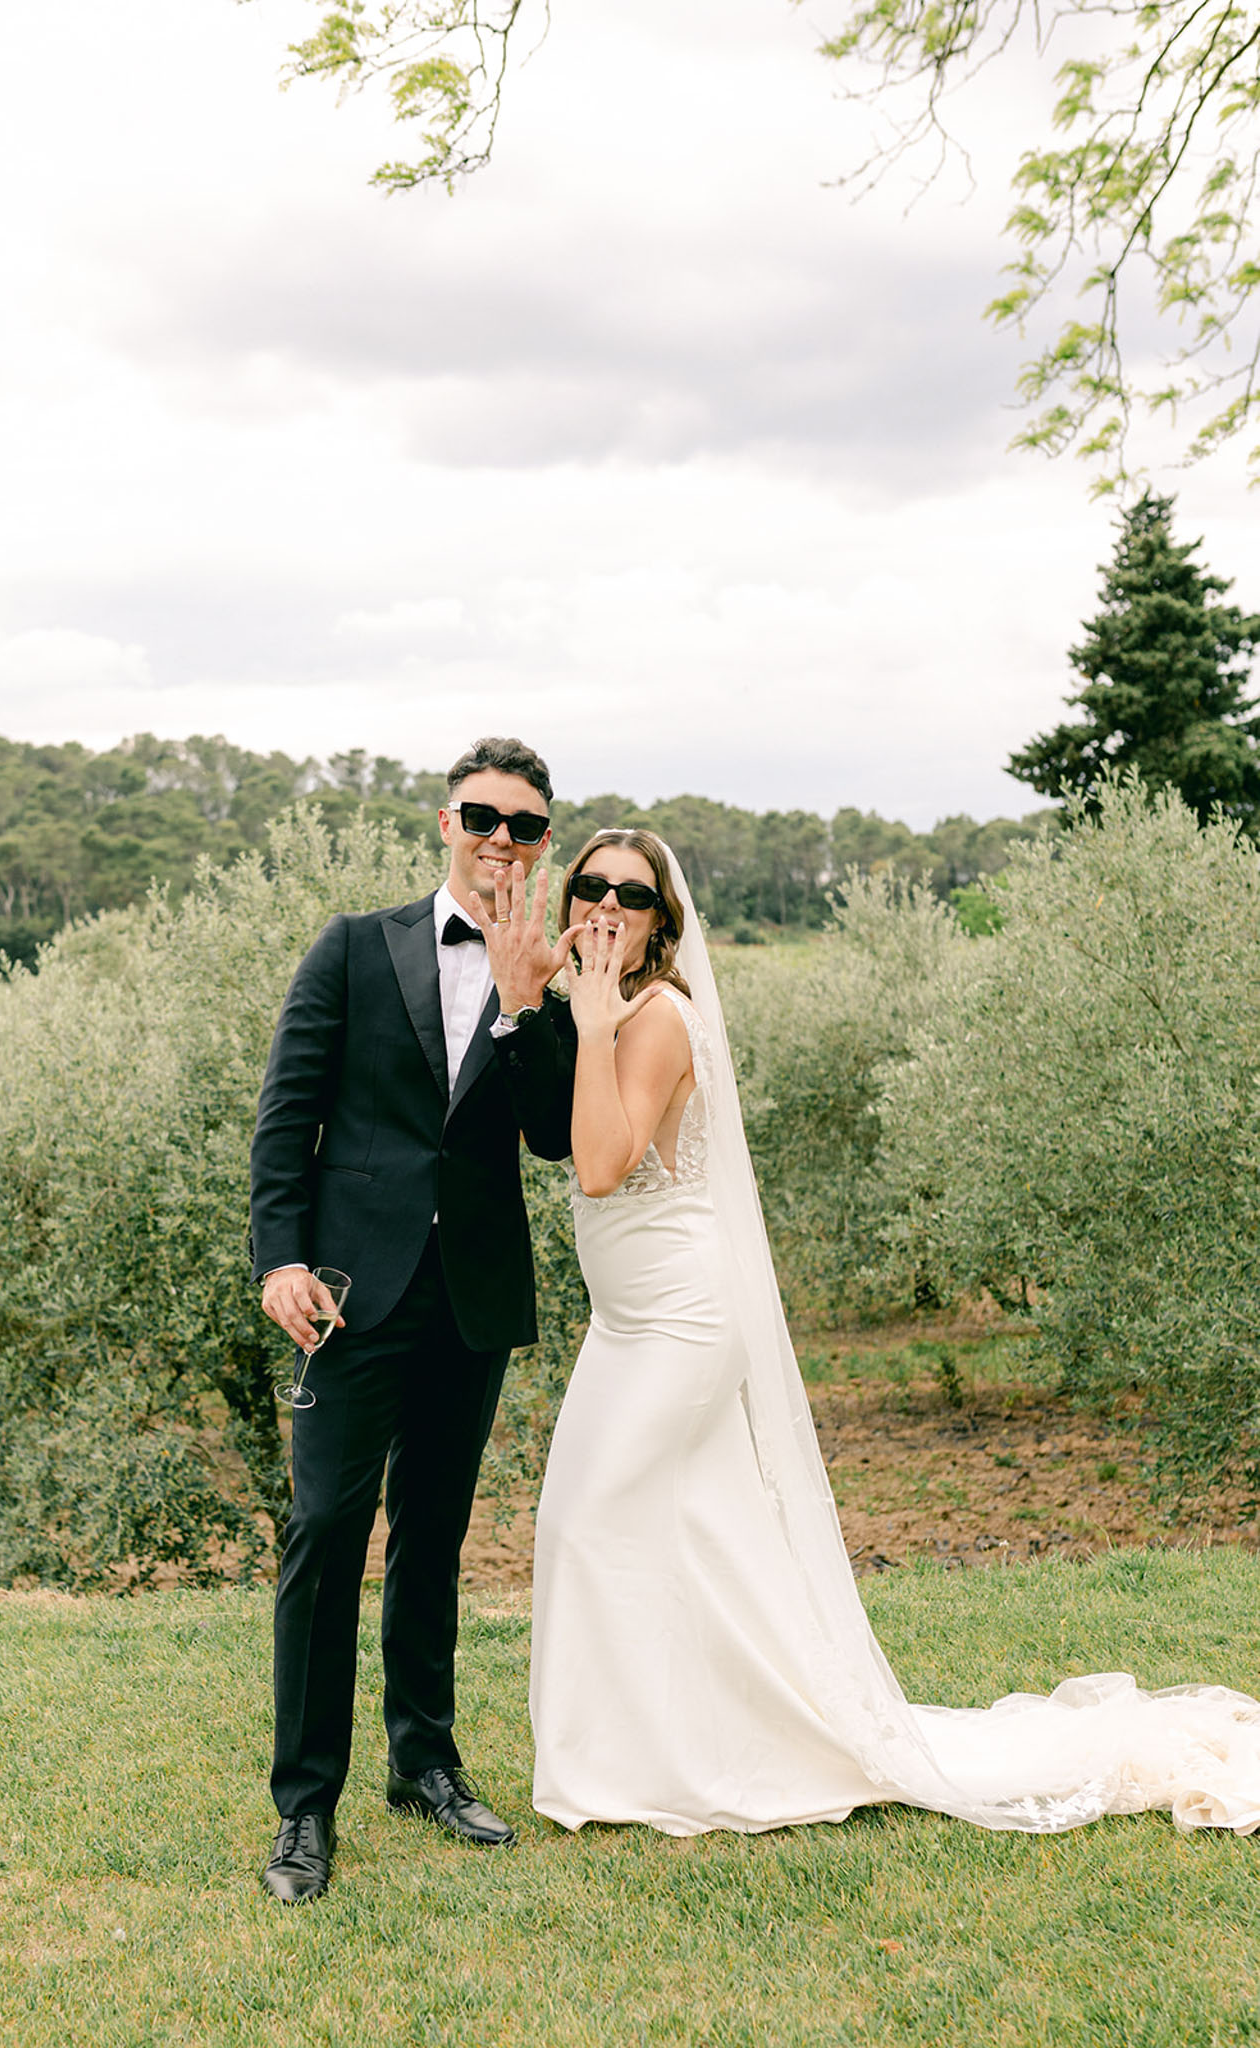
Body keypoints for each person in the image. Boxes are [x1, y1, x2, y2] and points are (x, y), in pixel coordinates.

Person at [526, 828, 1260, 1838]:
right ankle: (665, 1747)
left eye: (632, 893)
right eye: (592, 886)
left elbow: (602, 1164)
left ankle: (645, 1760)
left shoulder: (652, 1018)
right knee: (683, 1531)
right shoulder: (610, 1012)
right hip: (626, 1317)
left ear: (662, 922)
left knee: (588, 1518)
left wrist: (596, 1018)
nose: (608, 903)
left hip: (681, 1318)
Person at [249, 735, 578, 1903]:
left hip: (472, 1293)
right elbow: (287, 1114)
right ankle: (303, 1806)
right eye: (483, 815)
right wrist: (279, 1256)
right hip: (349, 1293)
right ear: (446, 820)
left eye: (526, 824)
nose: (502, 837)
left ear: (543, 839)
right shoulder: (351, 945)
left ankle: (425, 1764)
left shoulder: (550, 962)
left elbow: (551, 1133)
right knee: (327, 1527)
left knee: (432, 1534)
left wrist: (527, 997)